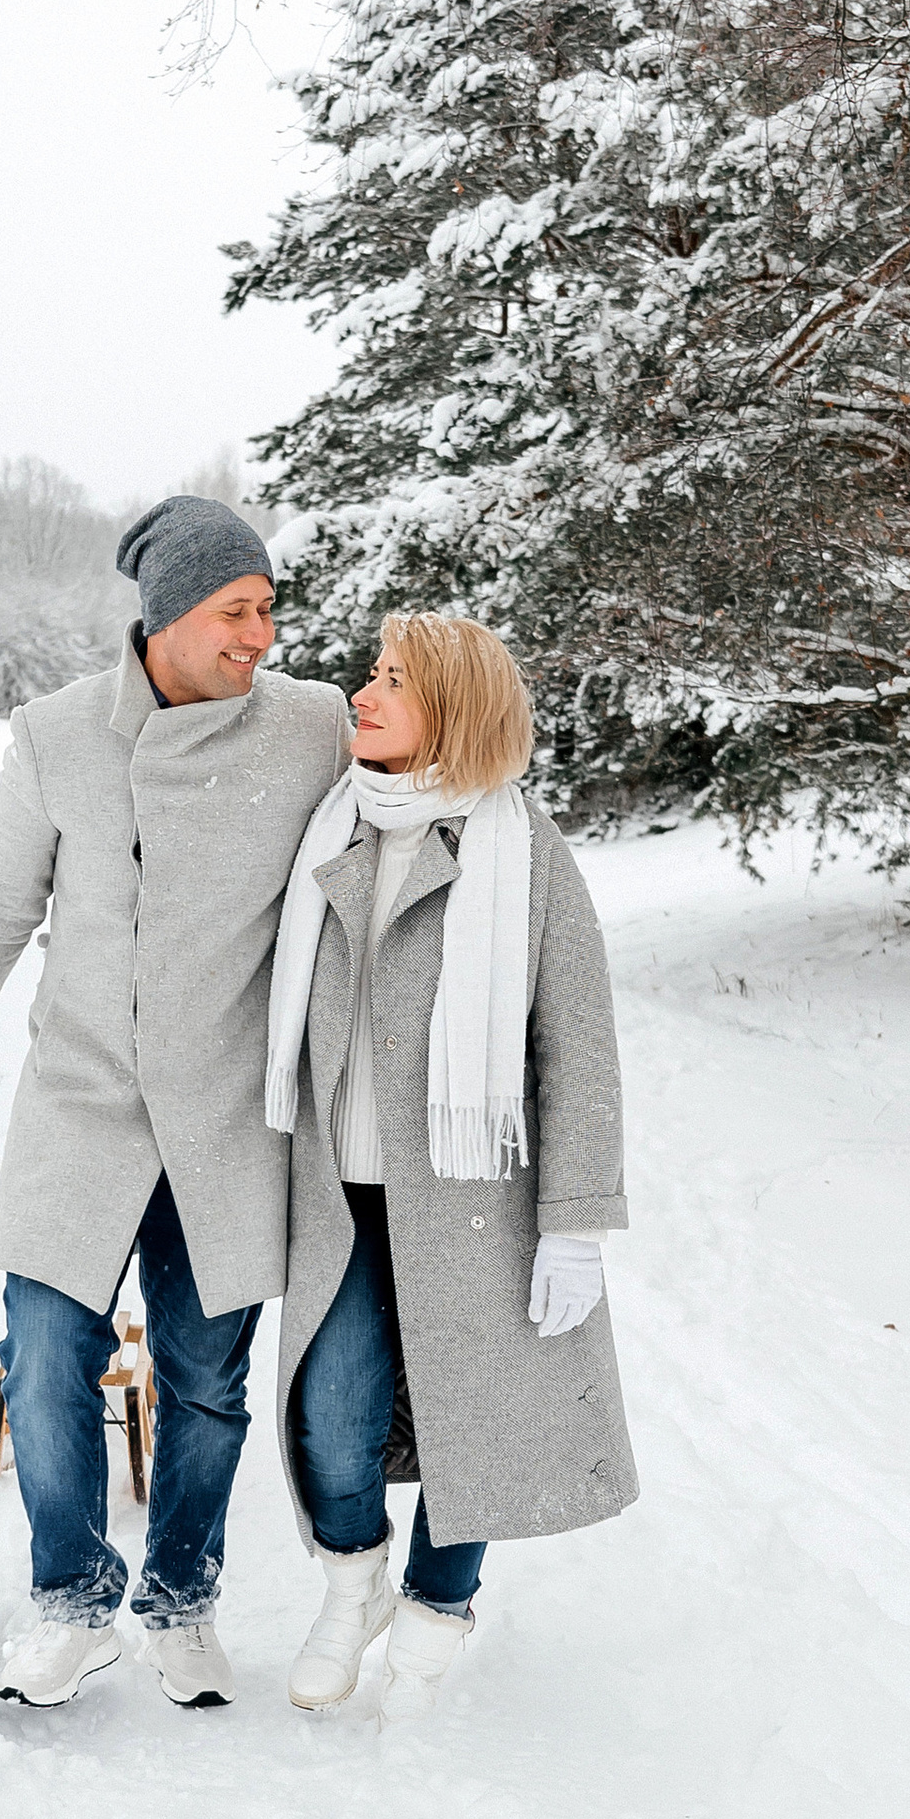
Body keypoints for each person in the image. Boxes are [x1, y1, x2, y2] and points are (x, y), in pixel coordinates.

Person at [0, 493, 348, 1709]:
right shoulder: (57, 735)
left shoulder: (309, 728)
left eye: (269, 606)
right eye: (235, 611)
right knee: (45, 1360)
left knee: (205, 1383)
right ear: (163, 616)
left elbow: (433, 775)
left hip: (228, 1116)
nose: (262, 634)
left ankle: (182, 1599)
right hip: (84, 1098)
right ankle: (67, 1598)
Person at [263, 612, 635, 1722]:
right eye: (369, 674)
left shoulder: (521, 855)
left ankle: (437, 1605)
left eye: (392, 682)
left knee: (480, 1421)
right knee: (330, 1420)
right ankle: (352, 1583)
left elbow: (580, 1042)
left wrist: (577, 1218)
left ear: (455, 713)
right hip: (339, 1195)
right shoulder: (328, 829)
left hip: (476, 1204)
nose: (361, 695)